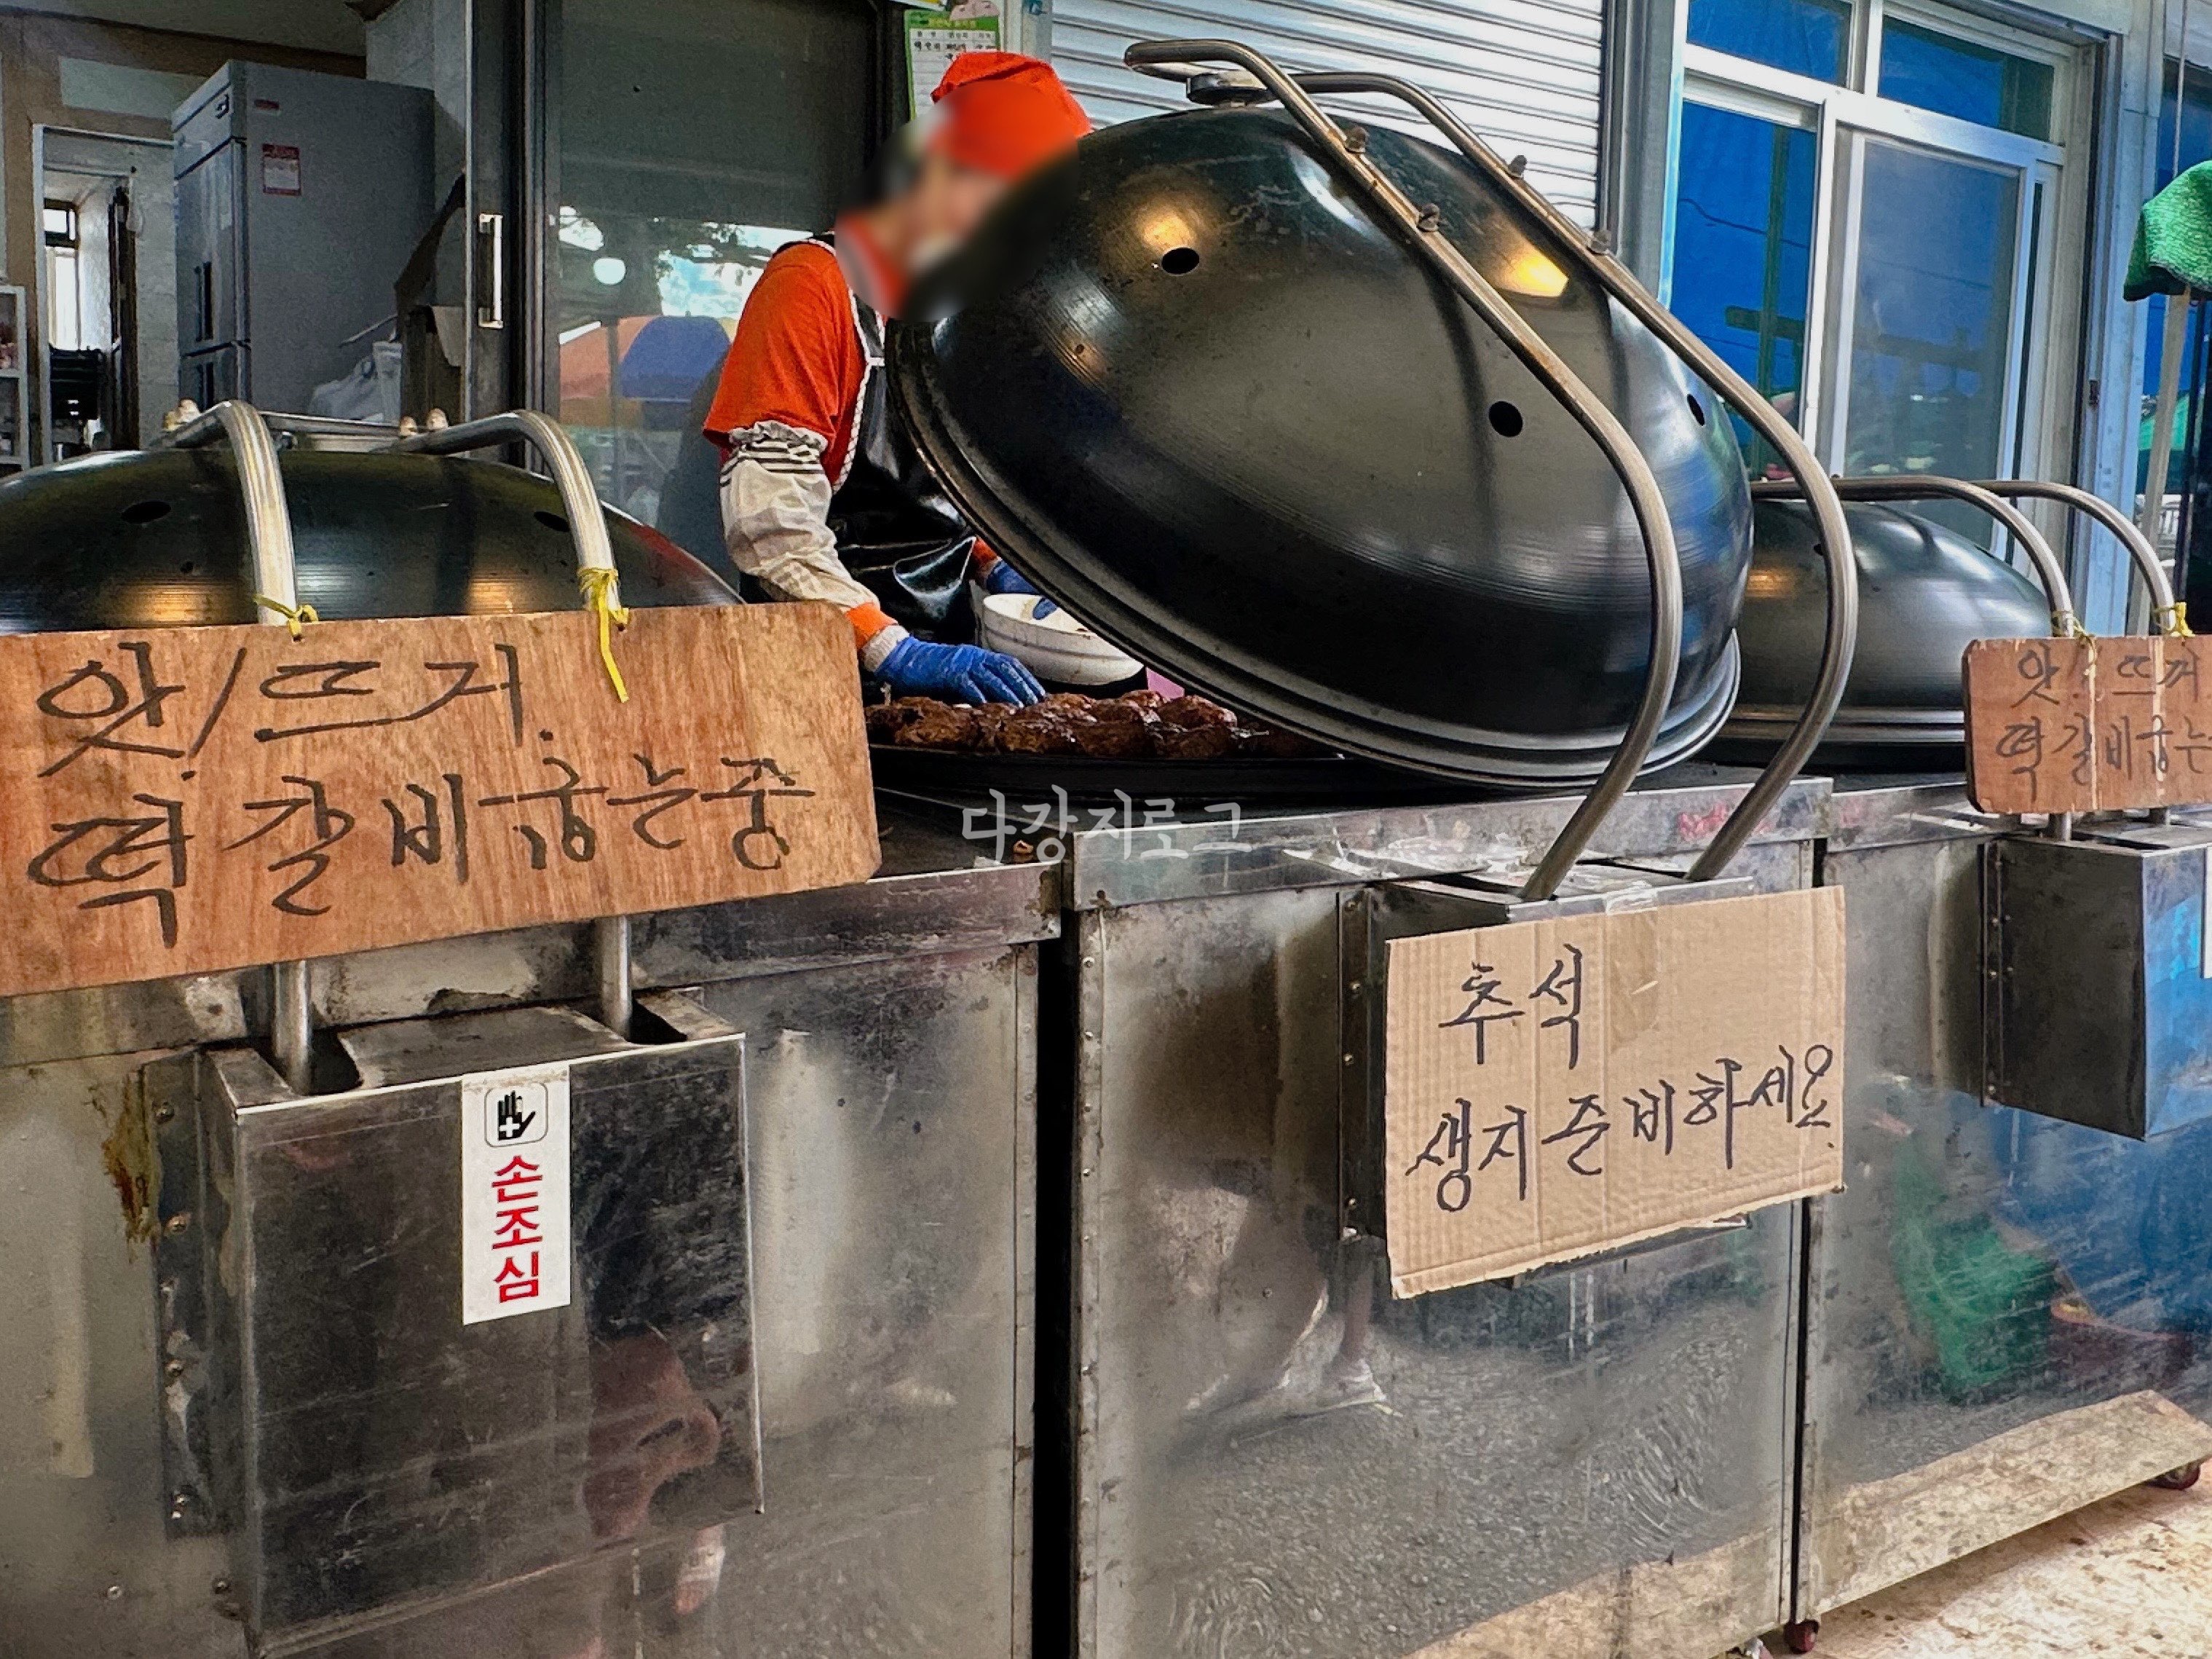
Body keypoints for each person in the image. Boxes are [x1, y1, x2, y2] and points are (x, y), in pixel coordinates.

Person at [703, 52, 1089, 706]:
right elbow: (772, 529)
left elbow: (941, 496)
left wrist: (996, 567)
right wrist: (890, 647)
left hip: (948, 657)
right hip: (818, 664)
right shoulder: (810, 288)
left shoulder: (957, 312)